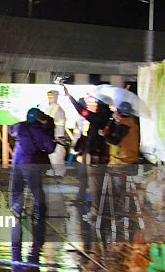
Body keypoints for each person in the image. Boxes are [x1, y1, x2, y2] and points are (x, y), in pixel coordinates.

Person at [62, 84, 112, 219]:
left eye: (96, 103)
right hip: (95, 154)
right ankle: (96, 209)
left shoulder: (100, 118)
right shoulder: (107, 117)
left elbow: (82, 112)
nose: (93, 105)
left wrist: (70, 98)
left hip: (95, 155)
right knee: (92, 182)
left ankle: (96, 212)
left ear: (100, 105)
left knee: (95, 185)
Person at [9, 108, 57, 219]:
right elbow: (50, 148)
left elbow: (11, 130)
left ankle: (17, 210)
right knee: (36, 189)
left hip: (17, 162)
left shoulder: (20, 126)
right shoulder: (41, 131)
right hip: (31, 163)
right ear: (39, 118)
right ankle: (39, 212)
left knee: (17, 187)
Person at [103, 101, 141, 217]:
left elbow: (115, 141)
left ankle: (122, 212)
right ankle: (127, 211)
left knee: (120, 190)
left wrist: (105, 135)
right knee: (124, 190)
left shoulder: (124, 125)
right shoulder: (132, 123)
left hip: (121, 162)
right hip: (129, 161)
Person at [42, 89, 68, 177]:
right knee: (55, 155)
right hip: (56, 135)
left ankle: (58, 172)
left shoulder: (54, 107)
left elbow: (47, 120)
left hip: (56, 135)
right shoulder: (53, 106)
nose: (49, 98)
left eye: (51, 96)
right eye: (48, 96)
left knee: (56, 155)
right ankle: (57, 171)